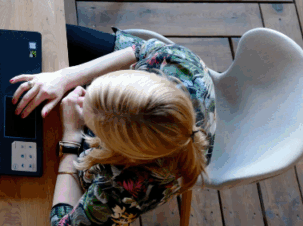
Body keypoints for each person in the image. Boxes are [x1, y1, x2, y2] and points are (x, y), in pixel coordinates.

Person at [11, 26, 216, 225]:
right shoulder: (177, 61)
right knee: (50, 34)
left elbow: (62, 224)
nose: (80, 96)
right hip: (164, 132)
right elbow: (139, 49)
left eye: (92, 125)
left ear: (117, 149)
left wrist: (71, 137)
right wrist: (64, 77)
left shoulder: (125, 189)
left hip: (148, 170)